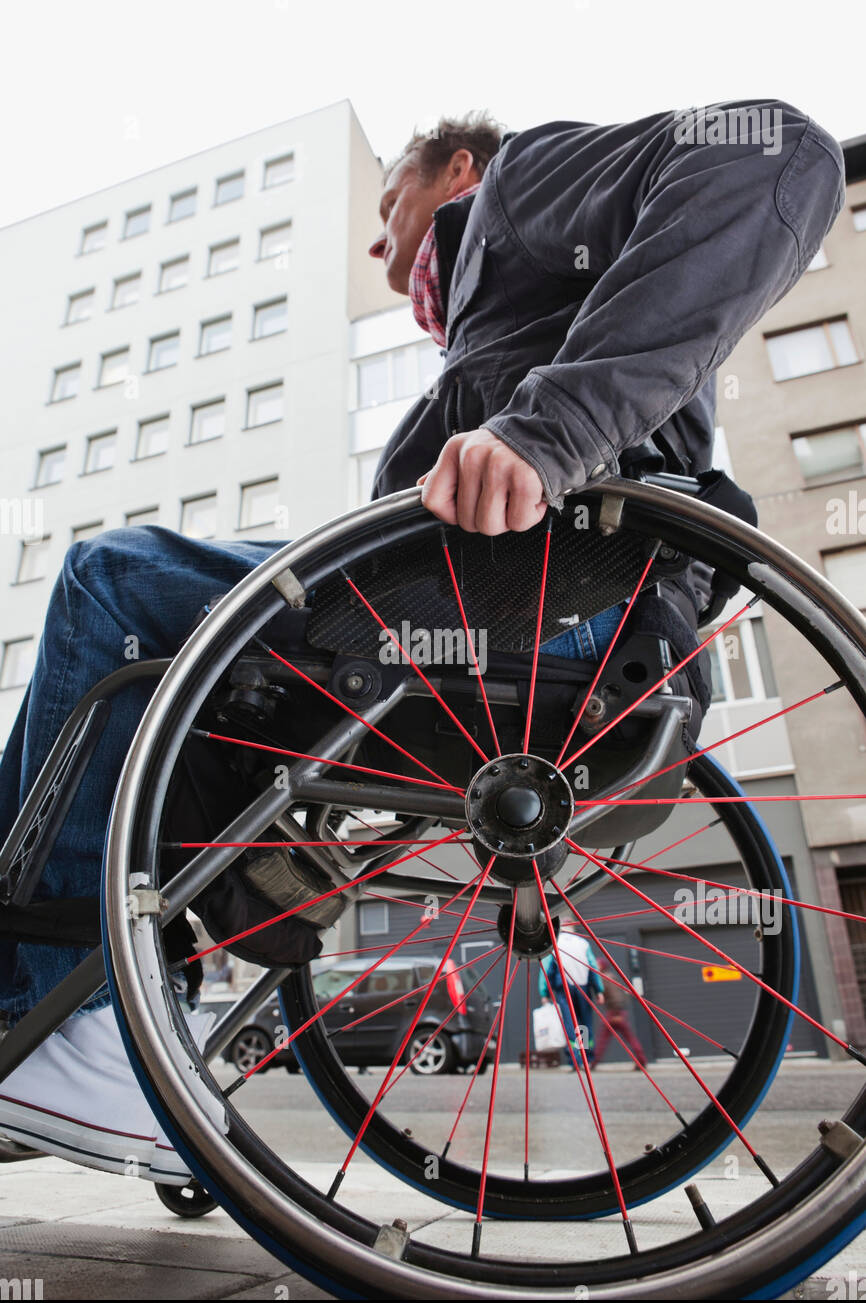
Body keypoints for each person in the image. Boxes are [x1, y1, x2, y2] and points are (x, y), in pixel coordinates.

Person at [0, 101, 845, 1179]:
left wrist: (551, 432)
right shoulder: (504, 324)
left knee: (110, 580)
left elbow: (778, 151)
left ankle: (67, 1019)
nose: (374, 236)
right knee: (185, 674)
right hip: (538, 633)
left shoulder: (514, 188)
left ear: (454, 171)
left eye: (389, 198)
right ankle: (133, 1017)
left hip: (520, 616)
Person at [539, 930, 604, 1069]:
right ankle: (587, 1057)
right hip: (583, 987)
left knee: (570, 1024)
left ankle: (576, 1059)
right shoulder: (583, 943)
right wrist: (598, 990)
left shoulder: (554, 943)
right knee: (584, 1024)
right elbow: (592, 966)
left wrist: (545, 993)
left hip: (564, 988)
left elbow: (546, 969)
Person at [591, 976, 648, 1072]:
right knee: (629, 1038)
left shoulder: (605, 978)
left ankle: (592, 1062)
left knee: (603, 1040)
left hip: (614, 1012)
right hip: (617, 1012)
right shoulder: (611, 977)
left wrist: (616, 1012)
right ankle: (641, 1060)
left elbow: (615, 996)